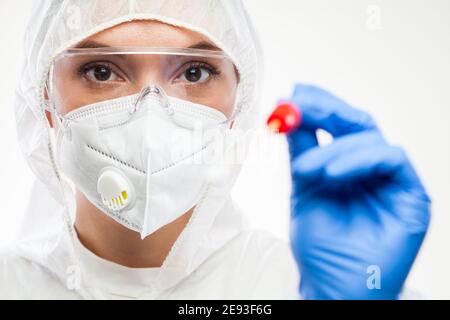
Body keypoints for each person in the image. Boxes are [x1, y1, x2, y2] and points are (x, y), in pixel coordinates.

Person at [0, 0, 430, 300]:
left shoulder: (297, 285)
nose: (151, 121)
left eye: (194, 71)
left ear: (238, 105)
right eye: (101, 71)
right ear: (45, 101)